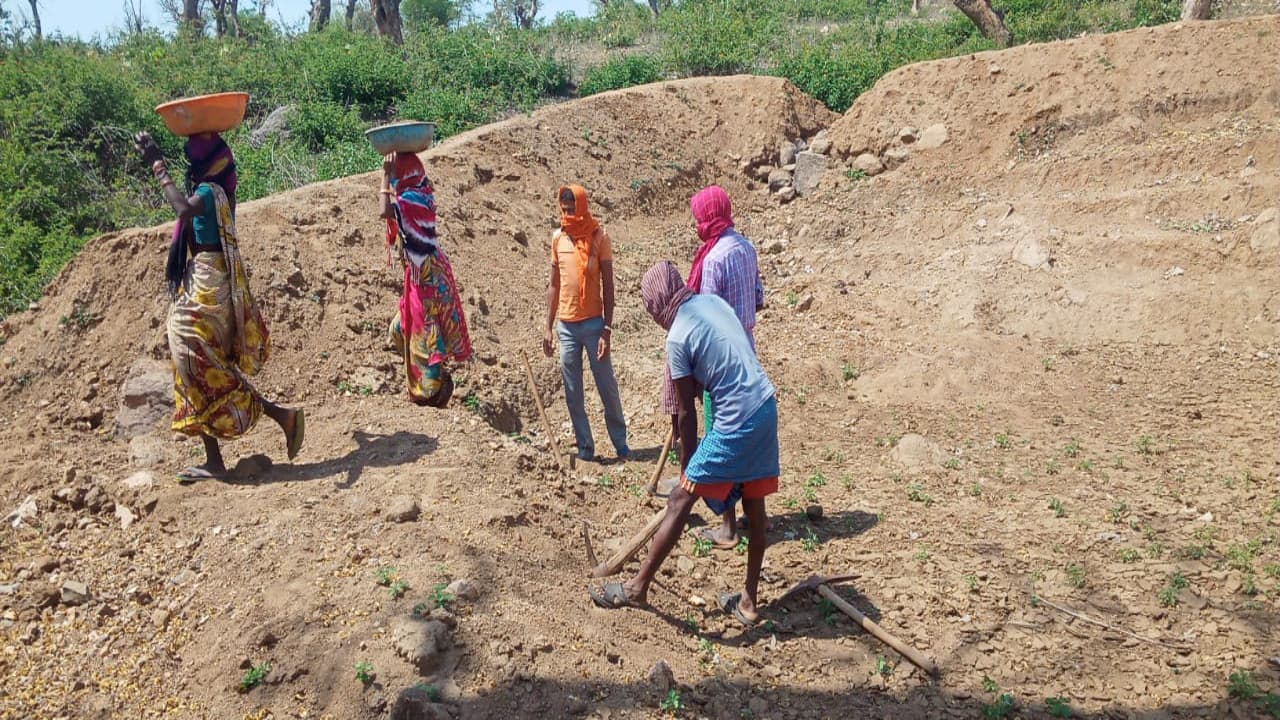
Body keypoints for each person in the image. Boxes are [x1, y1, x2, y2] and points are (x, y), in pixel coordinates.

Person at [589, 261, 778, 626]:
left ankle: (636, 589)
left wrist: (687, 472)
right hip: (766, 406)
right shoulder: (713, 304)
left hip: (737, 418)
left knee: (679, 498)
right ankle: (749, 604)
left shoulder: (677, 336)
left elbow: (687, 413)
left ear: (657, 304)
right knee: (755, 508)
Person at [134, 130, 304, 483]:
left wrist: (157, 165)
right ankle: (216, 458)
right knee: (196, 368)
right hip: (209, 282)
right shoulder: (220, 192)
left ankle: (279, 416)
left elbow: (181, 209)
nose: (189, 169)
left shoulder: (208, 194)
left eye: (192, 162)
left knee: (198, 362)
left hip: (207, 286)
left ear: (203, 165)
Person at [660, 186, 765, 548]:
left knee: (720, 438)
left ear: (709, 218)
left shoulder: (715, 259)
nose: (696, 226)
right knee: (746, 443)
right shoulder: (746, 248)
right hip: (746, 353)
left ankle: (727, 525)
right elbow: (758, 299)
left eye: (698, 219)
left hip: (718, 364)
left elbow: (702, 314)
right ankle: (753, 517)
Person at [542, 185, 628, 462]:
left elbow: (609, 287)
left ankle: (621, 444)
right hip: (566, 327)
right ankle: (585, 448)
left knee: (607, 386)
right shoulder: (558, 238)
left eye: (572, 209)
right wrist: (547, 325)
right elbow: (554, 285)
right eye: (564, 209)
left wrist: (607, 329)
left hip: (594, 325)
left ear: (582, 206)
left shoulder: (600, 237)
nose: (567, 214)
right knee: (572, 391)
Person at [380, 151, 472, 406]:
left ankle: (431, 393)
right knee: (400, 330)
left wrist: (385, 177)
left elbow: (384, 210)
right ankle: (430, 381)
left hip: (427, 280)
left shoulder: (411, 198)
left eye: (398, 175)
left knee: (426, 334)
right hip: (421, 276)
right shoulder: (416, 193)